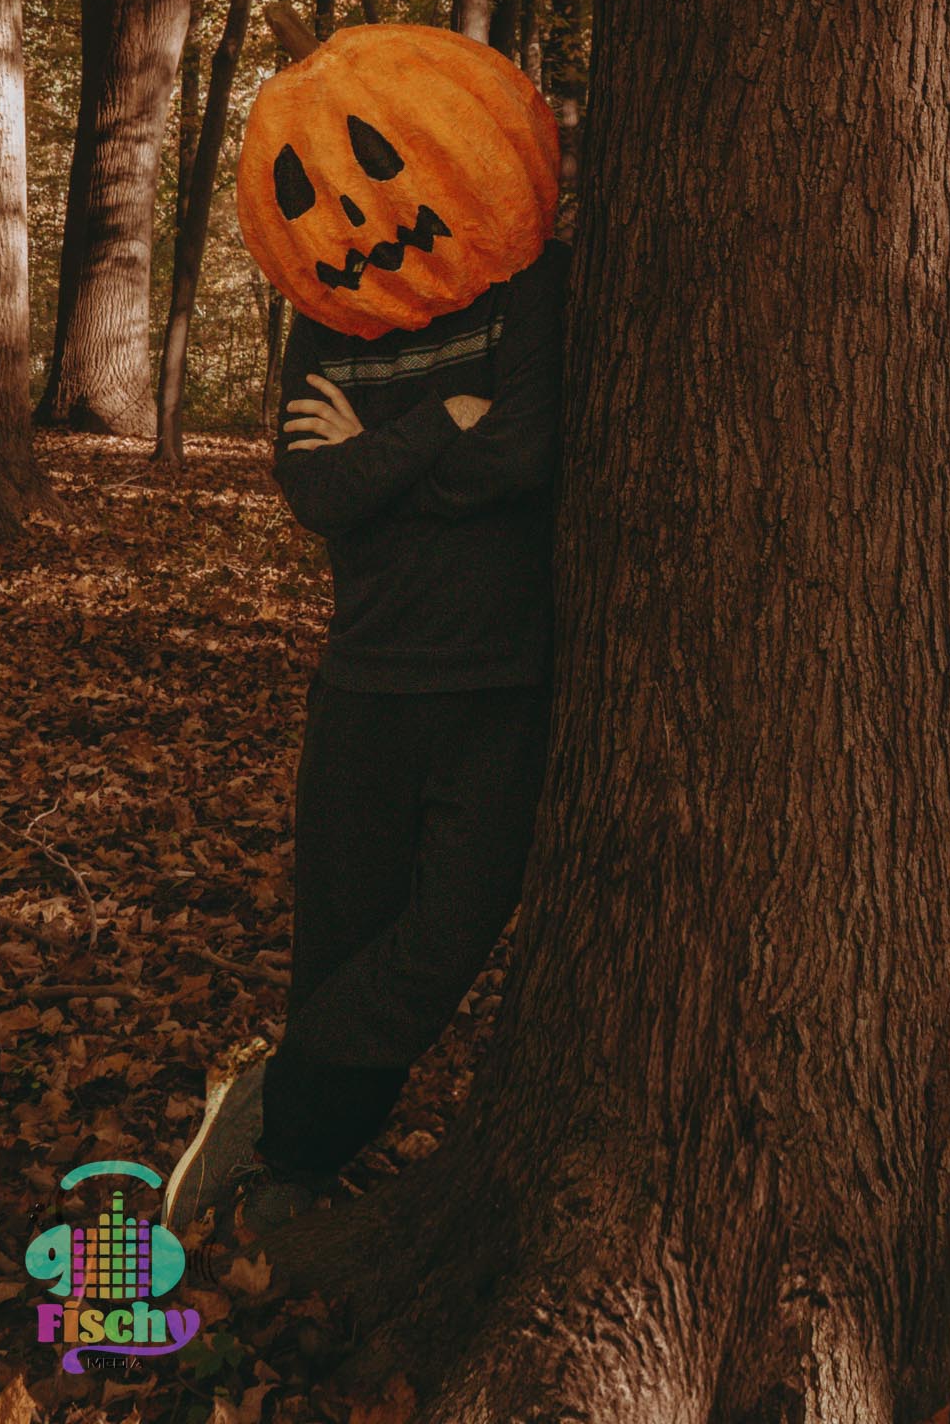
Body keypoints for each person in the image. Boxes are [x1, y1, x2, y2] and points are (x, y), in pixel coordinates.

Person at [164, 238, 569, 1237]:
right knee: (337, 942)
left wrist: (375, 452)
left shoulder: (528, 285)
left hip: (497, 682)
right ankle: (296, 1162)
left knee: (447, 933)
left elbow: (527, 452)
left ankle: (276, 1087)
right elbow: (316, 491)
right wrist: (439, 421)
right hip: (360, 683)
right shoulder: (331, 305)